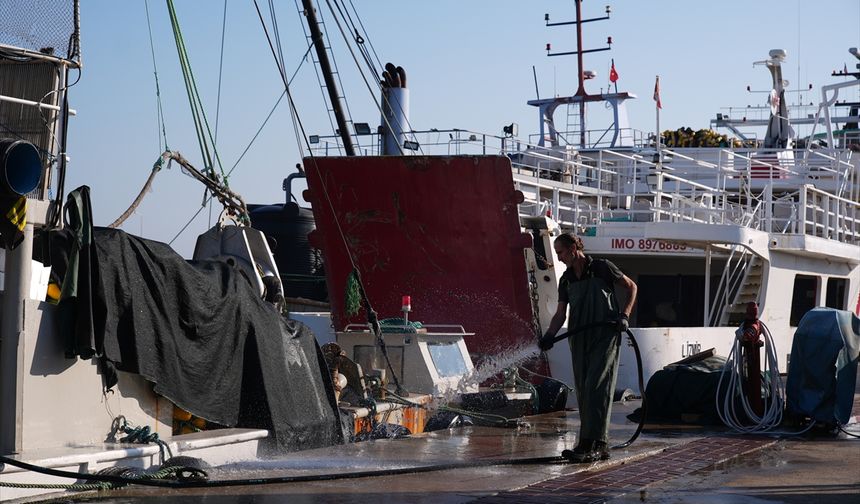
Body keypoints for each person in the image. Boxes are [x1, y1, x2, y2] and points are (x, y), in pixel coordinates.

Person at [539, 232, 637, 463]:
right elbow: (561, 314)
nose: (559, 257)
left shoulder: (603, 267)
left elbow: (632, 287)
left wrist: (624, 315)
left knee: (597, 387)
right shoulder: (566, 279)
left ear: (574, 248)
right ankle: (586, 442)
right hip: (579, 339)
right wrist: (550, 335)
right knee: (584, 390)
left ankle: (599, 443)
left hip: (604, 335)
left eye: (561, 252)